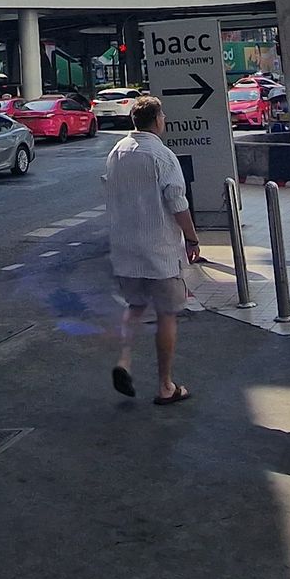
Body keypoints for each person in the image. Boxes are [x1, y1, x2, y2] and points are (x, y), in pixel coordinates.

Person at [102, 96, 200, 405]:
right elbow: (177, 203)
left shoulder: (117, 152)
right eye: (163, 115)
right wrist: (192, 238)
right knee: (167, 314)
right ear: (156, 120)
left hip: (125, 248)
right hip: (159, 250)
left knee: (134, 306)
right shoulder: (162, 155)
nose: (165, 119)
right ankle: (165, 386)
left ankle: (124, 361)